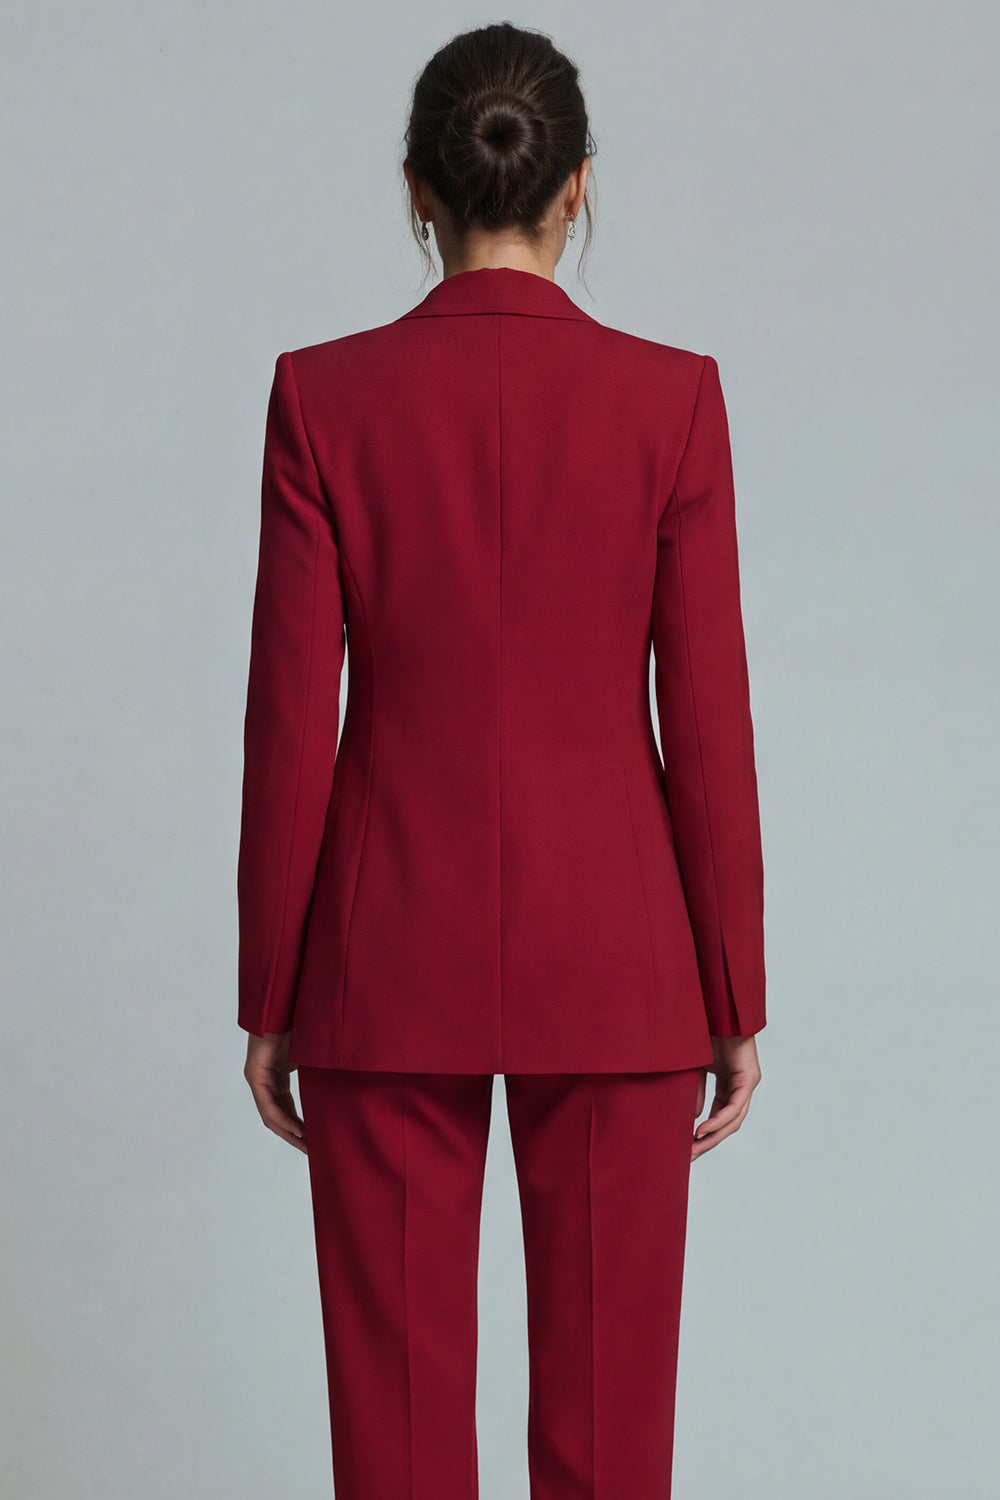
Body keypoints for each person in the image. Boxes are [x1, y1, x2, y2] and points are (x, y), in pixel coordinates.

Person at [237, 20, 765, 1499]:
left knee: (397, 1452)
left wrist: (271, 990)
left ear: (417, 188)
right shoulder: (671, 400)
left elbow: (290, 721)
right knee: (610, 1451)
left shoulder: (323, 399)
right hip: (620, 964)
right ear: (578, 184)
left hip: (384, 959)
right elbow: (706, 723)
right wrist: (732, 992)